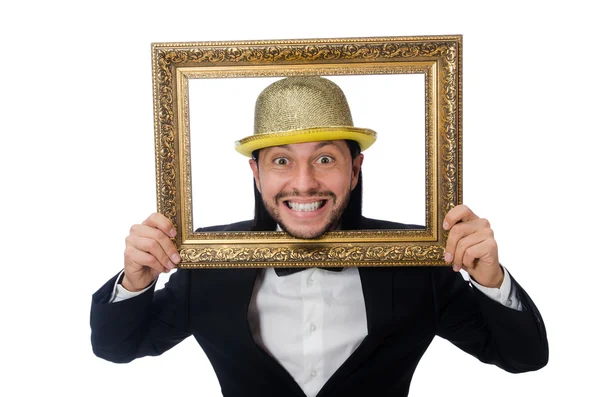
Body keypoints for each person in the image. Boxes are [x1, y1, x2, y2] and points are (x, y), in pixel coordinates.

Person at [90, 77, 548, 397]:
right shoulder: (209, 261)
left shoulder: (417, 259)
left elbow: (523, 356)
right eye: (282, 161)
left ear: (355, 170)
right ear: (256, 172)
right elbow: (117, 348)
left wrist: (491, 278)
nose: (304, 183)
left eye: (325, 159)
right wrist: (136, 280)